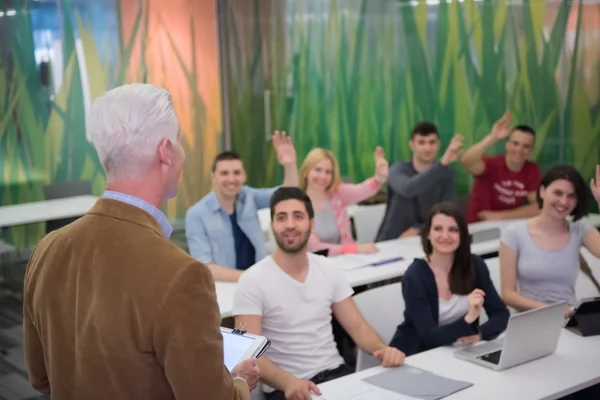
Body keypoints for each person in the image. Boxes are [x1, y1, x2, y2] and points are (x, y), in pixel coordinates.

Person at [22, 84, 259, 399]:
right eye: (180, 143)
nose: (183, 154)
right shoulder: (182, 274)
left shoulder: (46, 250)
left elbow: (40, 377)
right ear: (165, 151)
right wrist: (238, 382)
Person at [233, 187, 406, 400]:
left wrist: (383, 349)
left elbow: (358, 327)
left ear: (312, 224)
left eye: (298, 216)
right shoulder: (252, 280)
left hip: (337, 376)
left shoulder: (328, 268)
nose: (290, 224)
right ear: (272, 226)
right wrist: (288, 382)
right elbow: (249, 352)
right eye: (281, 217)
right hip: (288, 388)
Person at [390, 202, 509, 356]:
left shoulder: (474, 265)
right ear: (428, 234)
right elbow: (429, 337)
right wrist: (468, 320)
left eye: (453, 230)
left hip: (460, 352)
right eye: (438, 229)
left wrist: (480, 333)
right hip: (417, 355)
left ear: (462, 235)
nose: (445, 236)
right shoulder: (415, 275)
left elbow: (501, 314)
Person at [185, 131, 298, 282]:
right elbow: (206, 268)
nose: (231, 179)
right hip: (223, 290)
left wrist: (290, 165)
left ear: (244, 176)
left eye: (236, 173)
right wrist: (253, 278)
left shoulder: (249, 196)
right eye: (224, 173)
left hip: (260, 285)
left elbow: (288, 194)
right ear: (213, 177)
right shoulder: (196, 215)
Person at [499, 164, 600, 315]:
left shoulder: (580, 230)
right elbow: (508, 294)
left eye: (571, 196)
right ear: (542, 191)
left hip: (569, 321)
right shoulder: (514, 233)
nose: (564, 201)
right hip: (529, 320)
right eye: (558, 193)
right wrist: (552, 311)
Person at [377, 122, 462, 241]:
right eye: (421, 142)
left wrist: (419, 228)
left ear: (439, 144)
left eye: (432, 142)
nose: (427, 148)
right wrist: (441, 164)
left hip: (430, 240)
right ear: (412, 145)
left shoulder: (446, 174)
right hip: (391, 241)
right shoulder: (398, 169)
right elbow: (408, 189)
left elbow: (448, 211)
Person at [299, 146, 388, 255]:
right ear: (306, 171)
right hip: (315, 265)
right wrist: (355, 249)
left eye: (328, 172)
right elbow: (316, 249)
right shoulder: (298, 205)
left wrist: (379, 178)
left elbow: (362, 190)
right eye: (318, 170)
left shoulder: (338, 193)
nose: (323, 176)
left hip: (346, 261)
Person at [461, 111, 542, 223]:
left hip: (509, 226)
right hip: (479, 226)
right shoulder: (491, 164)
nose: (519, 150)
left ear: (531, 150)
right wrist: (492, 137)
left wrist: (499, 216)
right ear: (507, 145)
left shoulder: (532, 169)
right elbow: (466, 161)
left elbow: (539, 207)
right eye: (515, 143)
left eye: (526, 146)